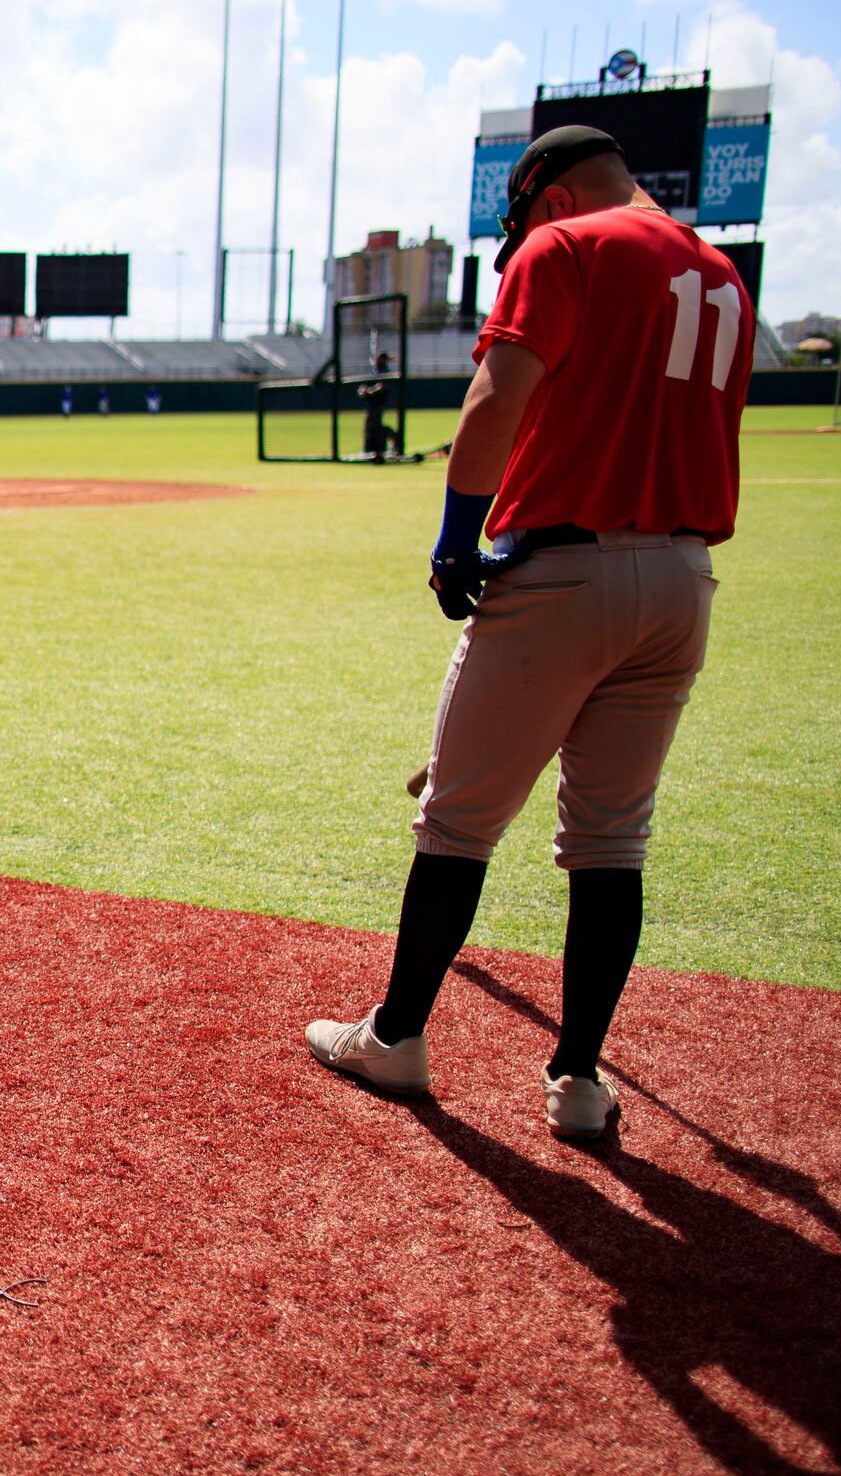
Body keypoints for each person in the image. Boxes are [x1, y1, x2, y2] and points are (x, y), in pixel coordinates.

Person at [304, 126, 750, 1141]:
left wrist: (457, 540)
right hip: (684, 577)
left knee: (456, 824)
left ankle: (397, 1037)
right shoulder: (720, 272)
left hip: (561, 571)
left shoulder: (567, 247)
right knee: (610, 842)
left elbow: (495, 398)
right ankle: (579, 1081)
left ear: (546, 195)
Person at [359, 350, 402, 460]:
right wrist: (363, 390)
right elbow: (364, 386)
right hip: (371, 403)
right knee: (372, 425)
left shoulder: (384, 371)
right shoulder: (374, 371)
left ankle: (395, 439)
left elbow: (382, 387)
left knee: (375, 425)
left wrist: (369, 391)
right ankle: (372, 447)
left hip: (379, 403)